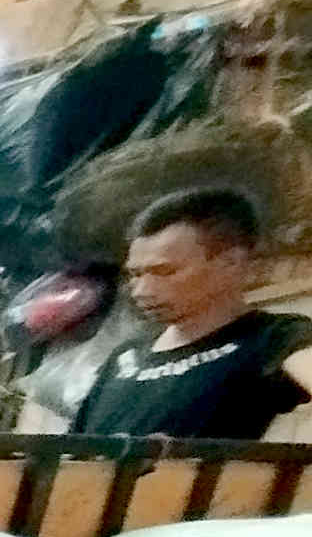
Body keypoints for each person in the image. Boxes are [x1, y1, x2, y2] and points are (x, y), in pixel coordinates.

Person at [75, 187, 312, 441]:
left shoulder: (272, 338)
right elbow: (69, 452)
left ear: (230, 263)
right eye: (135, 274)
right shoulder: (125, 356)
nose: (141, 291)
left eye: (164, 271)